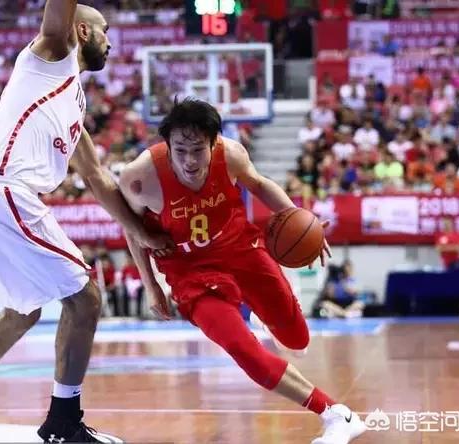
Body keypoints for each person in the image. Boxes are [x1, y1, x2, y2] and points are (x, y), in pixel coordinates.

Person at [0, 3, 167, 443]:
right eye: (104, 30)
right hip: (5, 191)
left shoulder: (72, 102)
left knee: (22, 311)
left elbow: (98, 178)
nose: (111, 41)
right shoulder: (50, 57)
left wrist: (139, 230)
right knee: (85, 298)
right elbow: (58, 12)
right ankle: (62, 423)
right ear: (81, 31)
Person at [118, 98, 366, 444]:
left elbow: (260, 184)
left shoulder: (231, 154)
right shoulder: (139, 176)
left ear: (214, 143)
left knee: (298, 340)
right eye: (180, 150)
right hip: (189, 271)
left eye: (198, 150)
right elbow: (131, 230)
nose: (189, 161)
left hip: (240, 249)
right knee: (244, 350)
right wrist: (152, 285)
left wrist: (302, 221)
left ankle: (265, 316)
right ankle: (337, 414)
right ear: (167, 145)